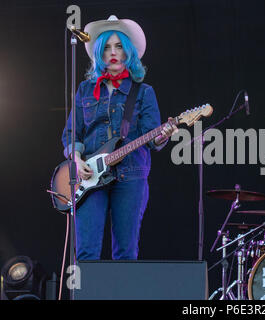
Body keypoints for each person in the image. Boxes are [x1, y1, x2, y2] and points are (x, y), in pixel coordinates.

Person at [62, 15, 177, 260]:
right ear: (98, 54)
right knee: (86, 252)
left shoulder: (144, 92)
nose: (112, 52)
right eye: (106, 47)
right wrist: (76, 158)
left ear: (128, 52)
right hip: (90, 177)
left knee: (126, 252)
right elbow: (72, 133)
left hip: (131, 176)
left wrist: (162, 136)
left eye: (118, 46)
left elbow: (152, 137)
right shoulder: (85, 90)